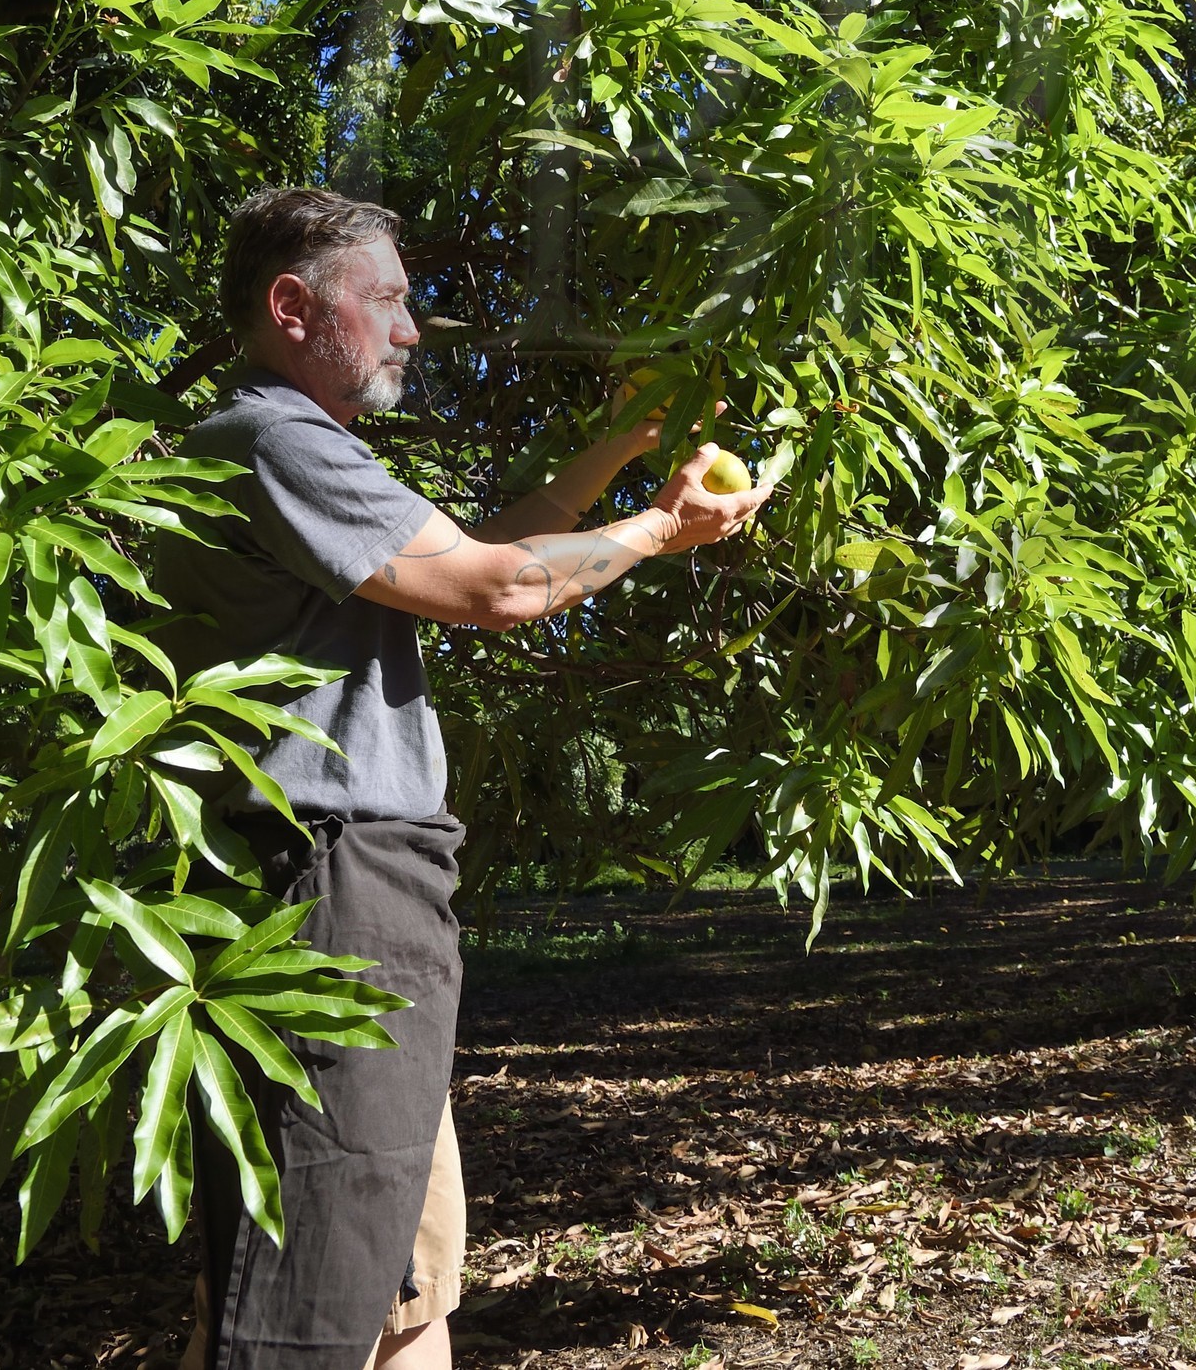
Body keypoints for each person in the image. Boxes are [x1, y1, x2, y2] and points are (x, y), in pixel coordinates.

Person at [155, 187, 770, 1370]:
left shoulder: (310, 450)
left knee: (407, 1280)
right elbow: (501, 590)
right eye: (383, 298)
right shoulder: (273, 439)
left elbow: (496, 545)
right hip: (329, 887)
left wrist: (632, 441)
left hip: (370, 886)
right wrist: (657, 530)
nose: (410, 328)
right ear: (292, 306)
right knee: (311, 1292)